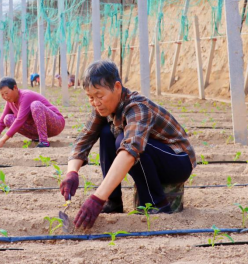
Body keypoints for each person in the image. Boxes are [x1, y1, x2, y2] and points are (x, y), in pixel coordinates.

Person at [59, 60, 196, 229]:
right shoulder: (103, 108)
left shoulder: (138, 107)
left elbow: (131, 149)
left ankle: (157, 204)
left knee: (124, 140)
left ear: (117, 87)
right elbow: (84, 138)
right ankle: (113, 202)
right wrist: (72, 172)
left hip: (178, 160)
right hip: (156, 157)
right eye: (90, 97)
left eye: (99, 96)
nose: (95, 102)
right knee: (107, 132)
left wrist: (97, 198)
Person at [0, 76, 65, 148]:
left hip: (56, 123)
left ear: (15, 88)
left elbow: (20, 120)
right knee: (7, 118)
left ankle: (43, 141)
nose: (5, 97)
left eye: (6, 93)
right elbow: (2, 121)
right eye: (2, 94)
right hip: (38, 128)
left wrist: (2, 140)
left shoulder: (26, 96)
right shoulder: (10, 102)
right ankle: (36, 137)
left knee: (36, 105)